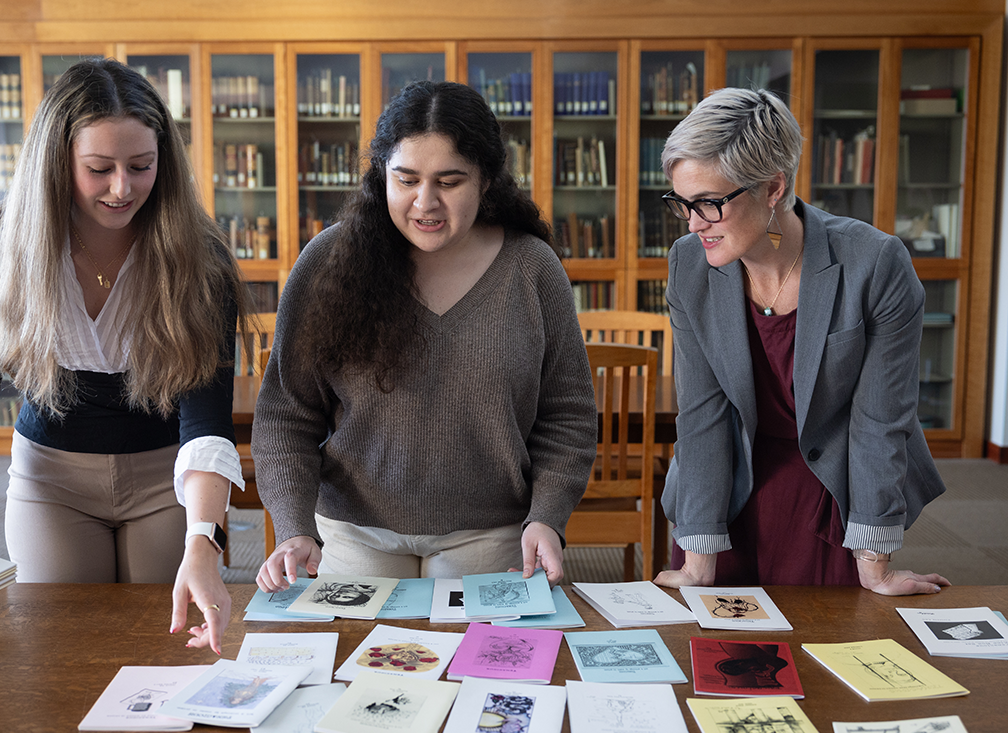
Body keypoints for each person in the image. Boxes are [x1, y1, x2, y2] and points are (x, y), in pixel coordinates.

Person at [0, 58, 255, 654]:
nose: (122, 188)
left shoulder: (198, 260)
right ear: (56, 164)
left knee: (158, 643)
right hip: (51, 479)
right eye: (98, 169)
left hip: (166, 479)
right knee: (61, 645)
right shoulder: (3, 252)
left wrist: (203, 541)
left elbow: (205, 422)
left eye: (141, 166)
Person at [252, 80, 596, 591]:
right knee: (358, 668)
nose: (424, 202)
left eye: (449, 181)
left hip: (492, 533)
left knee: (475, 670)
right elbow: (286, 413)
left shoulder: (531, 267)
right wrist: (293, 527)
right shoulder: (327, 262)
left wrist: (547, 515)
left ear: (486, 180)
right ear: (381, 176)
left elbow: (566, 412)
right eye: (406, 179)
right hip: (353, 534)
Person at [652, 87, 949, 596]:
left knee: (826, 655)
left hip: (833, 487)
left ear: (772, 188)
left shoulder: (874, 265)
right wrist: (698, 556)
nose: (694, 223)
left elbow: (880, 421)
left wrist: (875, 561)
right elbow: (703, 414)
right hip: (726, 485)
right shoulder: (688, 265)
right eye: (682, 203)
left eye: (709, 204)